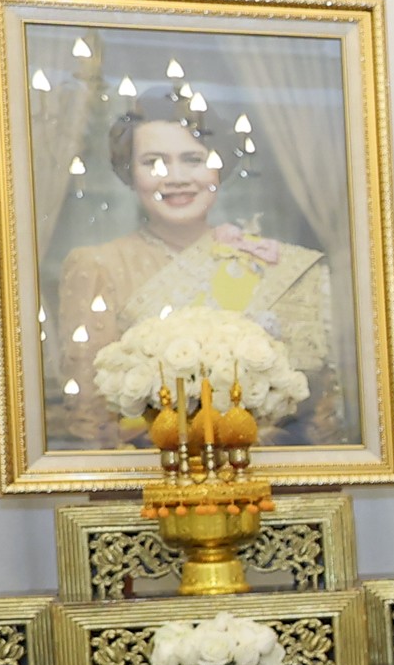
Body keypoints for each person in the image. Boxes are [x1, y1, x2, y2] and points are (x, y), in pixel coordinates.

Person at [50, 105, 339, 444]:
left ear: (219, 168)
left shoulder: (269, 262)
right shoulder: (97, 265)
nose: (176, 177)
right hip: (151, 466)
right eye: (153, 162)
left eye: (193, 160)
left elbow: (318, 406)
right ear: (130, 173)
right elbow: (91, 412)